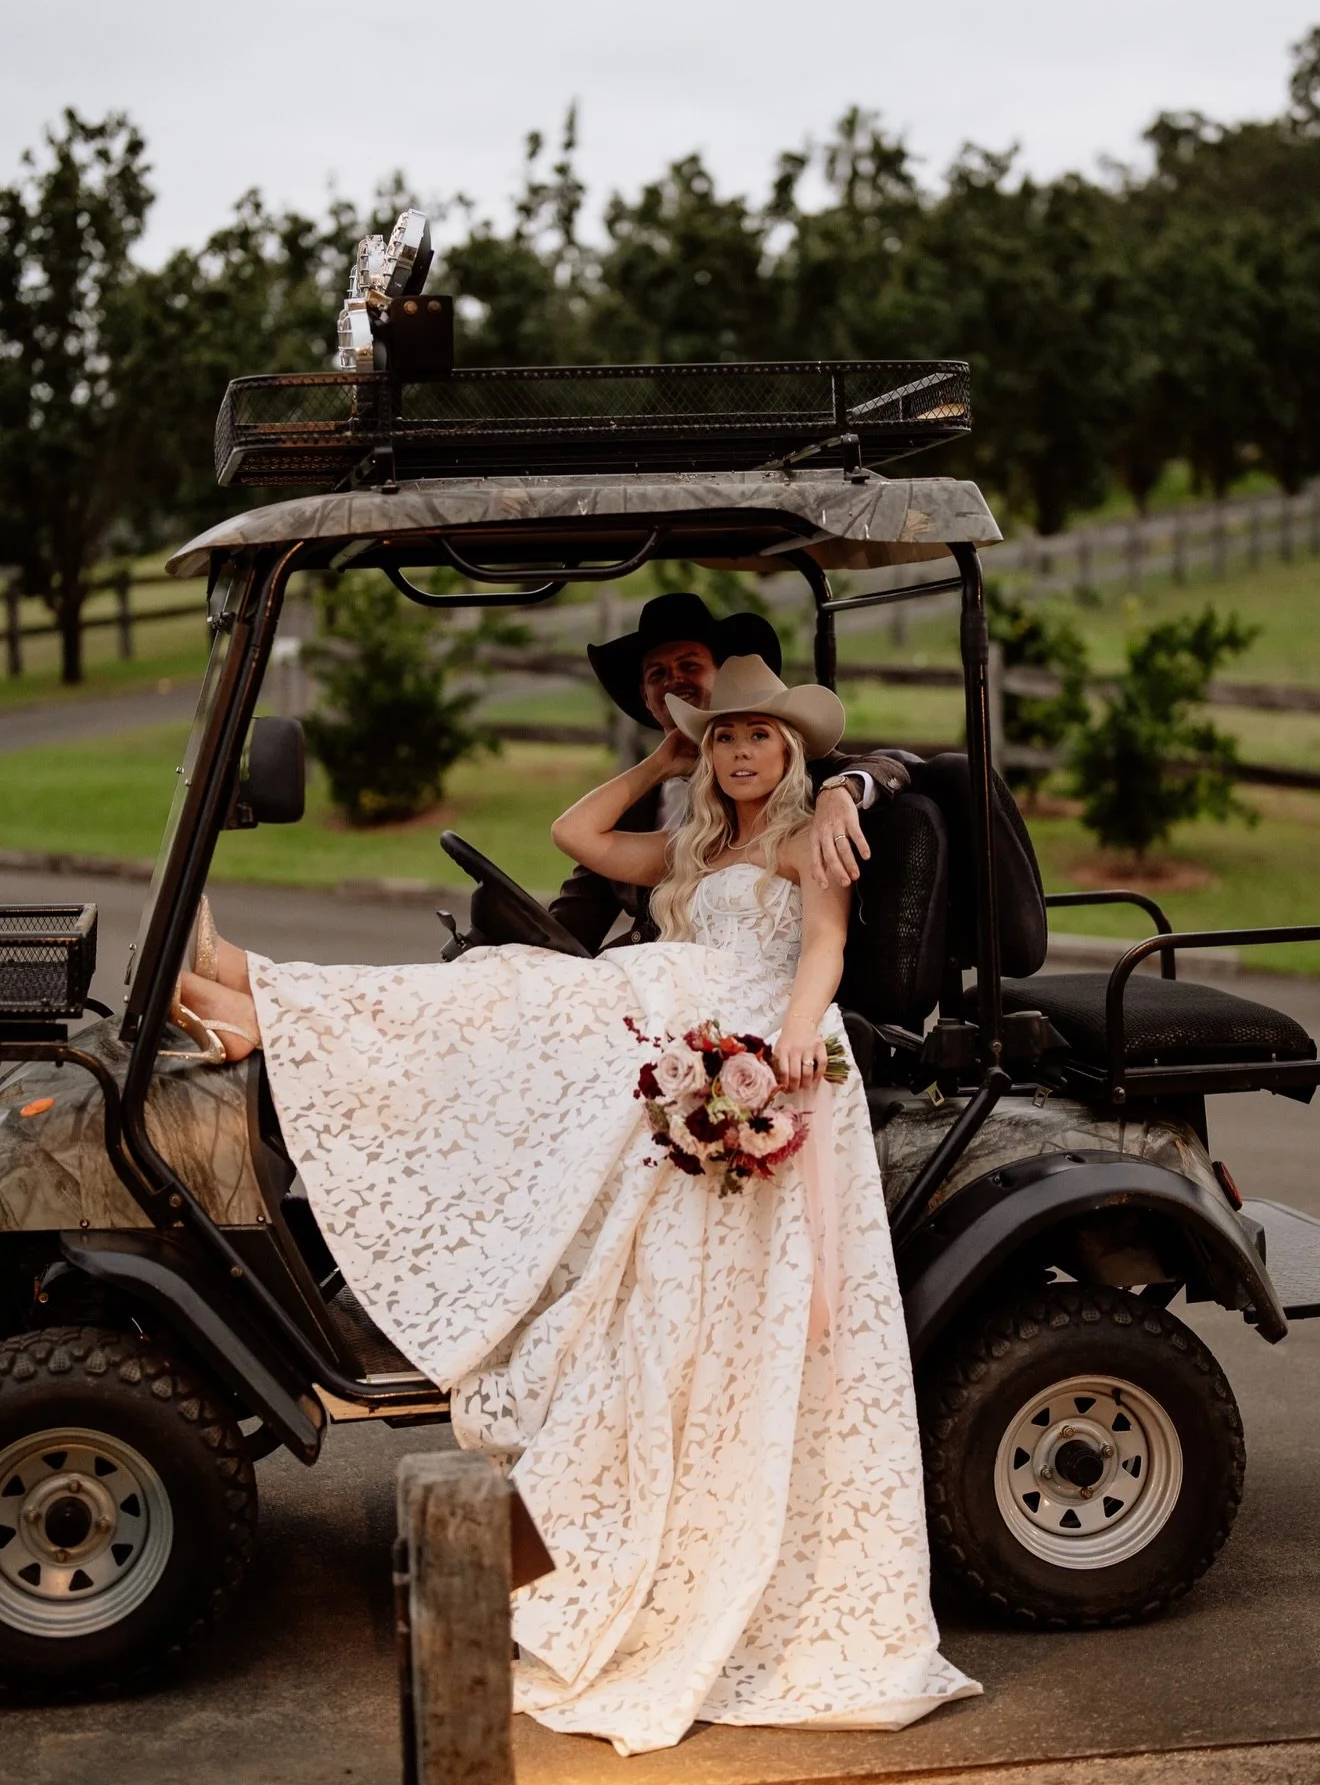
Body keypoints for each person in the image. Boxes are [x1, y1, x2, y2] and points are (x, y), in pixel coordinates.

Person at [173, 657, 979, 1755]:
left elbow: (826, 944)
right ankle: (260, 991)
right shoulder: (698, 846)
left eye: (760, 738)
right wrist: (664, 754)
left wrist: (794, 1029)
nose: (741, 753)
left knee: (513, 989)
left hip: (732, 1030)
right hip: (666, 1019)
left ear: (793, 752)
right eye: (727, 737)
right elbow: (576, 836)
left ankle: (265, 1003)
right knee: (505, 987)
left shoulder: (804, 839)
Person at [553, 591, 912, 952]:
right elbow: (572, 920)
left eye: (689, 666)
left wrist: (839, 790)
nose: (673, 680)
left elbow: (891, 764)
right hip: (655, 967)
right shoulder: (633, 802)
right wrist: (659, 764)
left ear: (724, 677)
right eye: (657, 674)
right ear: (646, 699)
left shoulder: (793, 763)